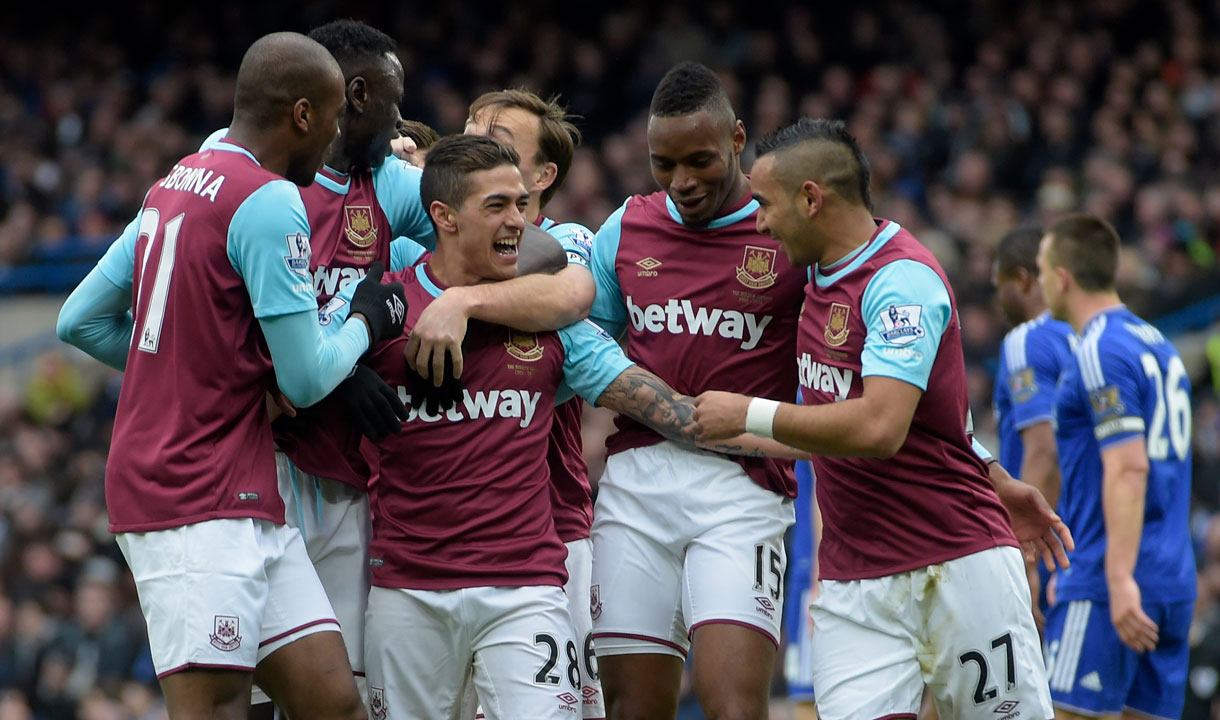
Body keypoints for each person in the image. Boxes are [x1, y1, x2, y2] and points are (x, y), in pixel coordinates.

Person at [323, 134, 790, 720]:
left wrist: (805, 436)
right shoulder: (385, 308)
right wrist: (342, 378)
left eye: (521, 204)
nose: (519, 221)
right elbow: (296, 380)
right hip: (406, 591)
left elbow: (666, 408)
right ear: (442, 216)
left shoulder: (551, 322)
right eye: (497, 206)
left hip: (526, 590)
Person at [197, 21, 590, 714]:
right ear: (355, 95)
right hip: (256, 466)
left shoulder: (387, 184)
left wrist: (461, 301)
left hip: (347, 484)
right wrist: (327, 371)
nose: (405, 117)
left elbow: (553, 269)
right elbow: (204, 313)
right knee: (252, 695)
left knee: (333, 698)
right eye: (395, 96)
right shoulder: (239, 176)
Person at [54, 32, 408, 720]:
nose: (338, 134)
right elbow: (305, 383)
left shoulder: (175, 181)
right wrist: (366, 318)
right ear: (302, 116)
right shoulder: (270, 199)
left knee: (334, 703)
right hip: (192, 500)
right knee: (216, 710)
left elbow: (81, 320)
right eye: (334, 118)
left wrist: (198, 371)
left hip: (242, 495)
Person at [692, 117, 1071, 719]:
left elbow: (879, 428)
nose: (758, 222)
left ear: (812, 198)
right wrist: (996, 474)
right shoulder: (812, 276)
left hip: (955, 565)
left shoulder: (902, 282)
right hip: (854, 586)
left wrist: (752, 413)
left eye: (765, 203)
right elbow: (908, 421)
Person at [586, 62, 809, 720]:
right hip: (635, 484)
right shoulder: (625, 228)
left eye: (700, 160)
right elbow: (583, 345)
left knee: (734, 707)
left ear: (739, 139)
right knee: (631, 709)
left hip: (743, 490)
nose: (682, 181)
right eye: (664, 164)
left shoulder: (786, 234)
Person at [463, 87, 605, 717]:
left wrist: (458, 299)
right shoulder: (429, 239)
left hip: (551, 525)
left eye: (498, 143)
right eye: (469, 132)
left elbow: (559, 289)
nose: (475, 147)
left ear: (543, 176)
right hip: (433, 535)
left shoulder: (568, 241)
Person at [1036, 214, 1196, 720]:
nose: (1040, 283)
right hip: (1172, 578)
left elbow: (1129, 469)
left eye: (1041, 270)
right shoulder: (1158, 344)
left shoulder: (1099, 347)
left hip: (1112, 582)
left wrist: (1117, 577)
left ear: (1061, 277)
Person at [992, 224, 1078, 629]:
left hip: (1055, 551)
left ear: (1023, 279)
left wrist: (1024, 558)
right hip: (1113, 545)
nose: (999, 298)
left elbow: (1043, 451)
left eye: (1000, 284)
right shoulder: (1096, 335)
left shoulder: (1026, 340)